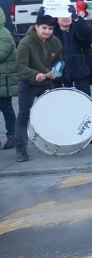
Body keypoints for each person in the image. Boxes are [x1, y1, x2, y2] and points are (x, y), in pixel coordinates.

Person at [14, 14, 62, 162]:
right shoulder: (25, 43)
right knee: (24, 115)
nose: (47, 31)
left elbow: (60, 61)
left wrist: (56, 72)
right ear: (36, 27)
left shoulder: (55, 42)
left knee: (51, 113)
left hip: (46, 82)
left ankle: (55, 143)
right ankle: (21, 150)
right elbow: (20, 67)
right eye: (44, 28)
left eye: (50, 29)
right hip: (28, 83)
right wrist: (35, 75)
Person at [53, 10, 92, 95]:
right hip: (58, 72)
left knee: (83, 101)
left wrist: (77, 19)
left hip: (80, 72)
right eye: (62, 15)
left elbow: (87, 38)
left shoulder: (77, 29)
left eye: (68, 15)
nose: (66, 18)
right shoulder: (52, 32)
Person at [0, 10, 19, 150]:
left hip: (4, 80)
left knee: (6, 108)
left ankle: (12, 135)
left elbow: (1, 54)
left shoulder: (4, 34)